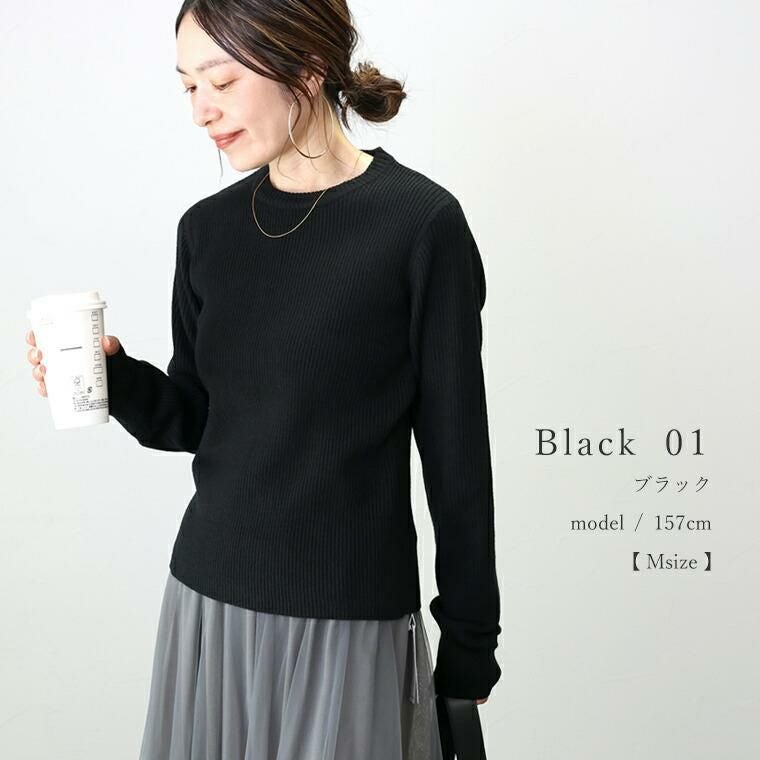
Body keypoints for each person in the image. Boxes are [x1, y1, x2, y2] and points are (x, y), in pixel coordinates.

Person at [26, 1, 501, 757]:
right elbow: (196, 418)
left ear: (306, 69)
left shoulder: (420, 225)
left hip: (349, 616)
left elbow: (457, 458)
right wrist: (112, 380)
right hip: (207, 602)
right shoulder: (206, 230)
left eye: (221, 81)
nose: (201, 111)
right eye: (188, 86)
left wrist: (470, 638)